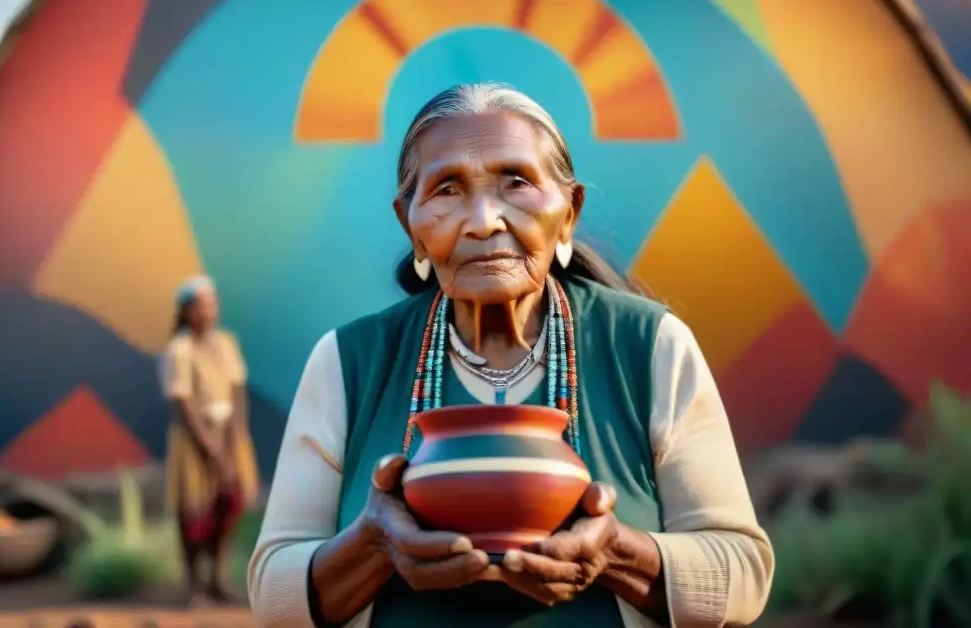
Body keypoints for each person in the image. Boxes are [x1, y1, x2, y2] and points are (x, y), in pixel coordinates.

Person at [249, 84, 774, 627]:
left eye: (516, 182)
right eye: (447, 190)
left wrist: (615, 554)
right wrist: (373, 548)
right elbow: (272, 593)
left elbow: (742, 573)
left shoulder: (649, 347)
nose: (482, 220)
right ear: (412, 227)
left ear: (568, 214)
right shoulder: (348, 362)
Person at [160, 275, 259, 605]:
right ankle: (194, 585)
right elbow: (184, 403)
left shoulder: (226, 343)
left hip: (229, 436)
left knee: (227, 508)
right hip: (194, 441)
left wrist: (235, 438)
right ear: (188, 312)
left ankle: (218, 579)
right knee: (194, 514)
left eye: (213, 303)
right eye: (203, 305)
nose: (211, 310)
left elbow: (237, 390)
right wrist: (211, 449)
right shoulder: (179, 350)